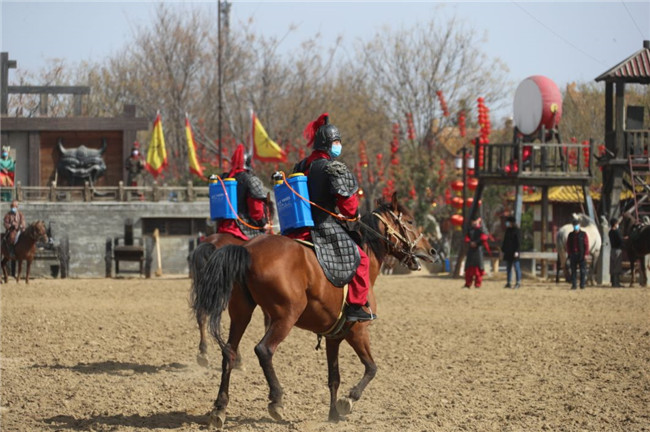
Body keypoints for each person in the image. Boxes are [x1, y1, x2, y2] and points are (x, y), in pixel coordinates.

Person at [288, 113, 375, 322]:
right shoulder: (332, 167)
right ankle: (356, 306)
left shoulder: (301, 166)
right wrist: (352, 215)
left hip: (298, 227)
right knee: (362, 259)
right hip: (323, 226)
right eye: (336, 142)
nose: (339, 146)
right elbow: (349, 207)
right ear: (328, 144)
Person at [214, 144, 269, 241]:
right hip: (243, 228)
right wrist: (263, 223)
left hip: (222, 226)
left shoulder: (223, 178)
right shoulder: (251, 180)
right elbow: (257, 210)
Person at [463, 216, 491, 289]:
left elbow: (484, 237)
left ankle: (477, 284)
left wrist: (476, 242)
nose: (474, 223)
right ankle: (468, 284)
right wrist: (470, 242)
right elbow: (466, 238)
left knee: (478, 269)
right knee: (469, 269)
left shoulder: (481, 229)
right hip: (471, 250)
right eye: (473, 222)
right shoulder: (469, 230)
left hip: (478, 250)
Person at [566, 217, 589, 289]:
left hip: (581, 254)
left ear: (579, 225)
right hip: (573, 254)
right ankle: (574, 285)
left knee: (582, 270)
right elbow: (568, 245)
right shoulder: (570, 235)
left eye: (577, 225)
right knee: (573, 270)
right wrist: (569, 253)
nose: (576, 226)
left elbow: (586, 244)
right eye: (574, 225)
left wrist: (586, 254)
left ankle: (582, 284)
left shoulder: (583, 234)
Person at [501, 215, 521, 289]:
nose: (507, 223)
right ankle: (508, 282)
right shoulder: (508, 230)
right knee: (508, 268)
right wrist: (503, 250)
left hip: (514, 252)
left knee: (516, 267)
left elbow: (518, 242)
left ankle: (518, 282)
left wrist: (517, 251)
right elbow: (505, 241)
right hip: (508, 252)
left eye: (508, 222)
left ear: (511, 222)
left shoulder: (517, 231)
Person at [609, 217, 624, 288]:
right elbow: (621, 240)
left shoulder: (610, 232)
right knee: (617, 267)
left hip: (612, 249)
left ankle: (613, 282)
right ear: (615, 224)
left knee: (612, 266)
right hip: (617, 250)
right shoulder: (617, 232)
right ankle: (616, 283)